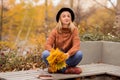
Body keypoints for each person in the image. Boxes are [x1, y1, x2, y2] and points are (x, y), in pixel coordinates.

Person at [42, 7, 83, 74]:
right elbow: (48, 45)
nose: (66, 18)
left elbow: (76, 45)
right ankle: (66, 70)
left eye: (68, 16)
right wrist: (56, 54)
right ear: (60, 19)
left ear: (71, 19)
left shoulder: (74, 30)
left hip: (68, 57)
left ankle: (57, 69)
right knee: (45, 54)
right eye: (64, 16)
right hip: (57, 58)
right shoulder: (55, 31)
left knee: (79, 54)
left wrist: (68, 54)